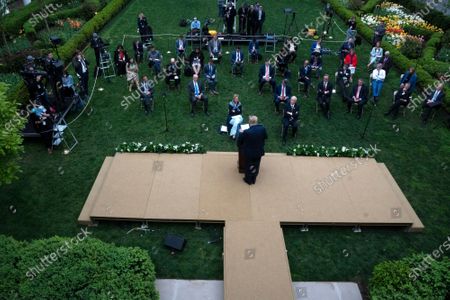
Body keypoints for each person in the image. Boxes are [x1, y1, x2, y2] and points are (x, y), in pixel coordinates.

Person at [237, 115, 268, 185]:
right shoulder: (262, 129)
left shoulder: (246, 132)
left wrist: (242, 133)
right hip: (258, 151)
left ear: (249, 122)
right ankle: (254, 178)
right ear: (256, 122)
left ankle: (248, 180)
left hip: (249, 153)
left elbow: (239, 142)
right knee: (256, 165)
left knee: (248, 166)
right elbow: (265, 137)